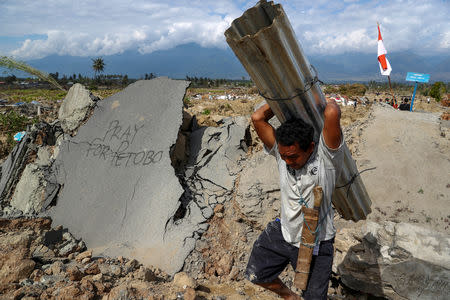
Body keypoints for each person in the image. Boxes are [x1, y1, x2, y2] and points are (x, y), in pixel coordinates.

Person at [246, 99, 344, 300]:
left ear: (310, 147)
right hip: (284, 233)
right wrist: (283, 97)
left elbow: (332, 111)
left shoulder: (327, 160)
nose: (287, 161)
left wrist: (310, 97)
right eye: (283, 156)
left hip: (318, 240)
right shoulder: (282, 154)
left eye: (293, 157)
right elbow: (257, 118)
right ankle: (290, 296)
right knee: (256, 274)